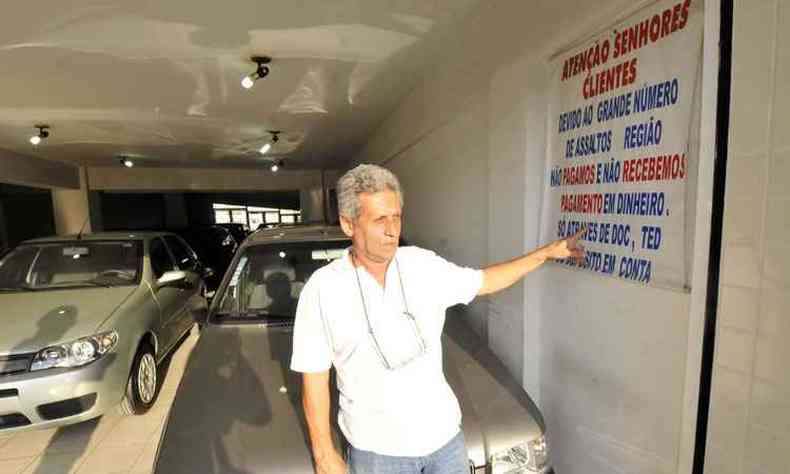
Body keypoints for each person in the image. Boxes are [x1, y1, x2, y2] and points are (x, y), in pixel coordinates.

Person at [290, 164, 585, 474]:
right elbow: (314, 377)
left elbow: (485, 281)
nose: (392, 231)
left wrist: (545, 254)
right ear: (349, 225)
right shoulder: (324, 289)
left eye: (396, 217)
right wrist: (324, 455)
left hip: (445, 445)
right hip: (378, 455)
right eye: (379, 220)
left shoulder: (421, 265)